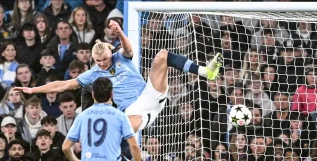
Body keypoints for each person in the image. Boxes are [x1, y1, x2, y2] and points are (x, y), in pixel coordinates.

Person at [15, 19, 222, 133]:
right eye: (98, 62)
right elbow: (63, 85)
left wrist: (120, 32)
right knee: (116, 129)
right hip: (133, 111)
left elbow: (128, 47)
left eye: (105, 59)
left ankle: (205, 71)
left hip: (149, 95)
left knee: (162, 56)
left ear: (109, 53)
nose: (103, 63)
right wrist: (34, 89)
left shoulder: (120, 57)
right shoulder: (93, 73)